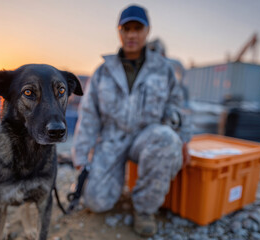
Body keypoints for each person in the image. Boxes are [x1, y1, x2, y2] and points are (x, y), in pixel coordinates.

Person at [72, 5, 191, 237]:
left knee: (166, 138)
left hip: (146, 136)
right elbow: (89, 115)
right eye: (126, 29)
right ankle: (109, 185)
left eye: (138, 28)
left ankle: (145, 209)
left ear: (147, 31)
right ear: (119, 32)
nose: (132, 34)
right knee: (97, 202)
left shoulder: (163, 70)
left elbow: (177, 106)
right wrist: (81, 154)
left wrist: (183, 140)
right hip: (112, 138)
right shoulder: (103, 72)